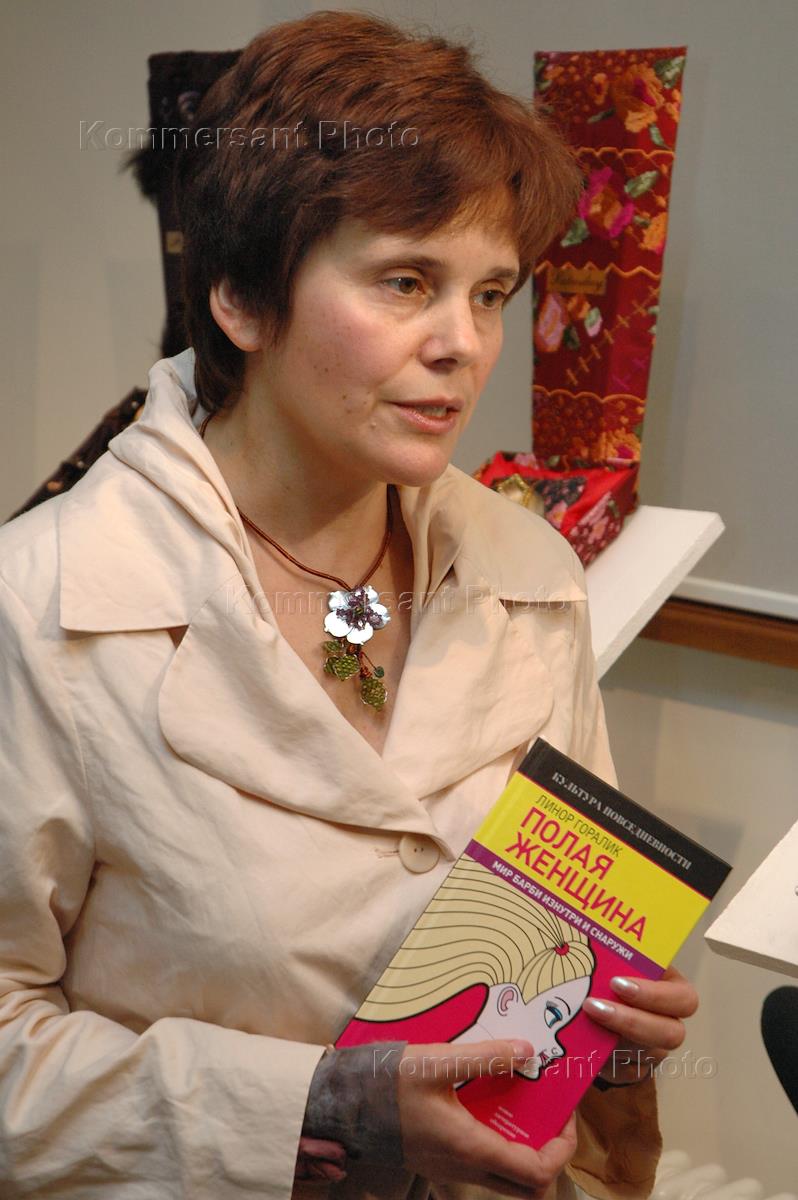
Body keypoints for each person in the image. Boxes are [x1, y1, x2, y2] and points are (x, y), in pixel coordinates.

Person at [0, 10, 697, 1199]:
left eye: (491, 293)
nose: (462, 345)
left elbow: (567, 934)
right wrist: (316, 1111)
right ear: (242, 298)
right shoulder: (40, 606)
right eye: (407, 282)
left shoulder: (529, 572)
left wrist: (610, 1032)